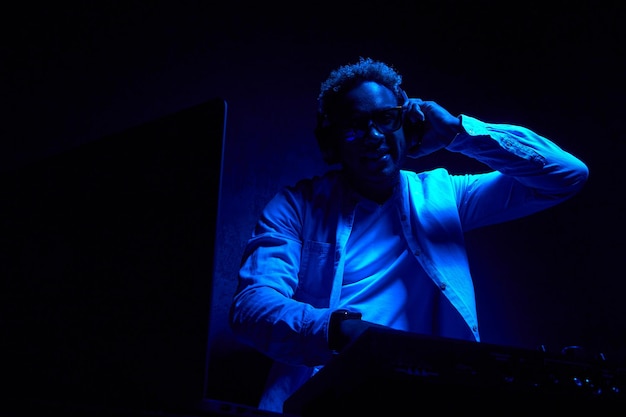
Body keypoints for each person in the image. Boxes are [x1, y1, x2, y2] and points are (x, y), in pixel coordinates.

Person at [228, 57, 589, 413]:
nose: (372, 136)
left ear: (406, 123)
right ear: (332, 140)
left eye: (385, 119)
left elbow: (566, 176)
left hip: (425, 401)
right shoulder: (296, 206)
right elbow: (251, 307)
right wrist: (340, 331)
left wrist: (458, 134)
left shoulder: (444, 195)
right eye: (354, 125)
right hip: (323, 397)